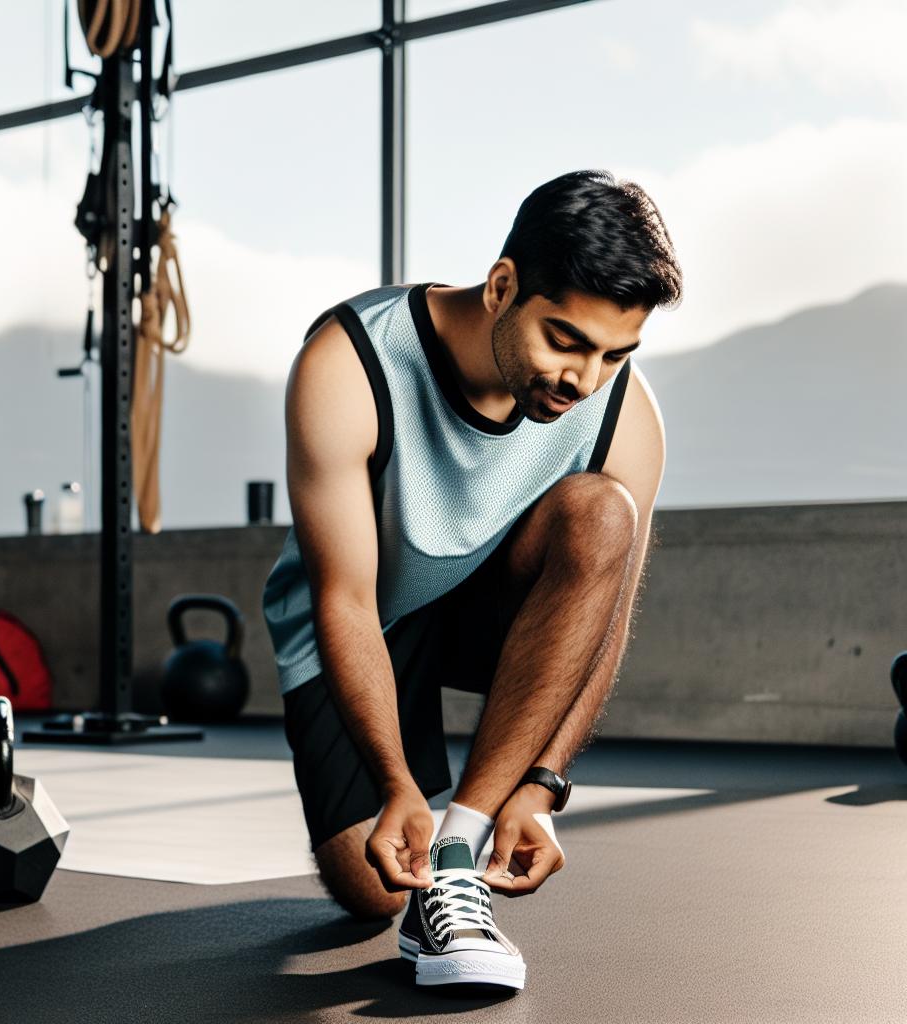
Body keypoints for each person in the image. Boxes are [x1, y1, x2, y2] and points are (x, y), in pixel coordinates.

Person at [264, 170, 680, 991]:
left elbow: (607, 617)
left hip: (492, 602)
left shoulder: (624, 411)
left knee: (605, 513)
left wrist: (543, 784)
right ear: (501, 287)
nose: (584, 380)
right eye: (564, 341)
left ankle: (458, 846)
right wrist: (393, 783)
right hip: (367, 617)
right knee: (374, 888)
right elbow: (343, 599)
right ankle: (414, 828)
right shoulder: (349, 360)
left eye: (613, 353)